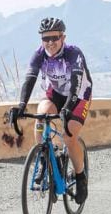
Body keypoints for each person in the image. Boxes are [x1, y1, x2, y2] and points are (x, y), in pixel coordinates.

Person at [9, 17, 93, 204]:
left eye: (54, 38)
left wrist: (68, 108)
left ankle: (80, 178)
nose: (50, 43)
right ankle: (44, 159)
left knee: (69, 137)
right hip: (54, 93)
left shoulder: (73, 54)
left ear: (63, 37)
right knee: (41, 117)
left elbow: (76, 84)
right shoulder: (39, 54)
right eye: (45, 39)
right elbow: (29, 80)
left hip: (78, 96)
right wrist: (21, 106)